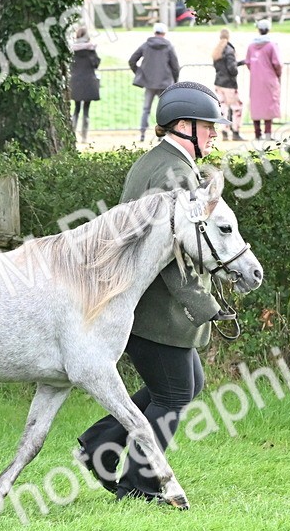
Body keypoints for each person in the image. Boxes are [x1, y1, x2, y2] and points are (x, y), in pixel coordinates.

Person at [76, 82, 230, 505]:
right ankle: (140, 485)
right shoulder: (172, 174)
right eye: (208, 127)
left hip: (150, 305)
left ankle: (99, 444)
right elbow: (170, 253)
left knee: (188, 384)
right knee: (175, 392)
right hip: (157, 309)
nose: (214, 134)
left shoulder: (158, 162)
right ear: (184, 126)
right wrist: (205, 304)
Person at [129, 22, 180, 142]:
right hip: (165, 83)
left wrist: (139, 73)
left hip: (149, 83)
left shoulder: (146, 45)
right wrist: (175, 81)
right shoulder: (168, 46)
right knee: (163, 110)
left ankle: (142, 134)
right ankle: (161, 135)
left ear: (154, 32)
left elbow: (132, 60)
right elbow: (175, 66)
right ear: (164, 33)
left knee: (146, 109)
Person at [245, 18, 282, 139]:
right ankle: (267, 133)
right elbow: (277, 63)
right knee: (269, 105)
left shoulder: (251, 46)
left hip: (255, 79)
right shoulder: (271, 45)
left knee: (256, 105)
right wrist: (278, 74)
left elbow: (248, 62)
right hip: (269, 78)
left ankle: (257, 133)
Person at [69, 25, 100, 144]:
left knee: (76, 110)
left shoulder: (72, 50)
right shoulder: (91, 50)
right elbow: (96, 64)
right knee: (86, 111)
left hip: (76, 81)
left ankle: (72, 134)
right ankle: (84, 137)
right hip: (88, 82)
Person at [210, 28, 243, 140]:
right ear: (228, 37)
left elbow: (220, 66)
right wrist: (236, 70)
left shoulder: (217, 50)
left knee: (223, 108)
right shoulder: (229, 50)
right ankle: (236, 131)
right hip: (229, 83)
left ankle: (224, 131)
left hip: (219, 82)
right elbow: (231, 68)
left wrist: (240, 63)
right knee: (237, 107)